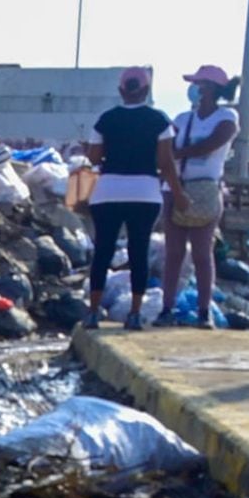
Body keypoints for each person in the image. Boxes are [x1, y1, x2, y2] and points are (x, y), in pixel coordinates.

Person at [83, 66, 184, 330]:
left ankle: (93, 313)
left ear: (120, 91)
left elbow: (92, 159)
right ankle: (135, 315)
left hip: (107, 192)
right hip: (145, 193)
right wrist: (179, 194)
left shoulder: (105, 120)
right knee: (138, 251)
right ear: (147, 90)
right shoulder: (159, 121)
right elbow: (166, 163)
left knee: (103, 251)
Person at [158, 64, 241, 328]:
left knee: (202, 254)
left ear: (212, 88)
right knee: (173, 253)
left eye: (199, 84)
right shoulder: (183, 118)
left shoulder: (226, 117)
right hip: (175, 188)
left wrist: (178, 154)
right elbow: (164, 147)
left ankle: (204, 311)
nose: (194, 88)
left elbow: (211, 144)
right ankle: (167, 307)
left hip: (204, 189)